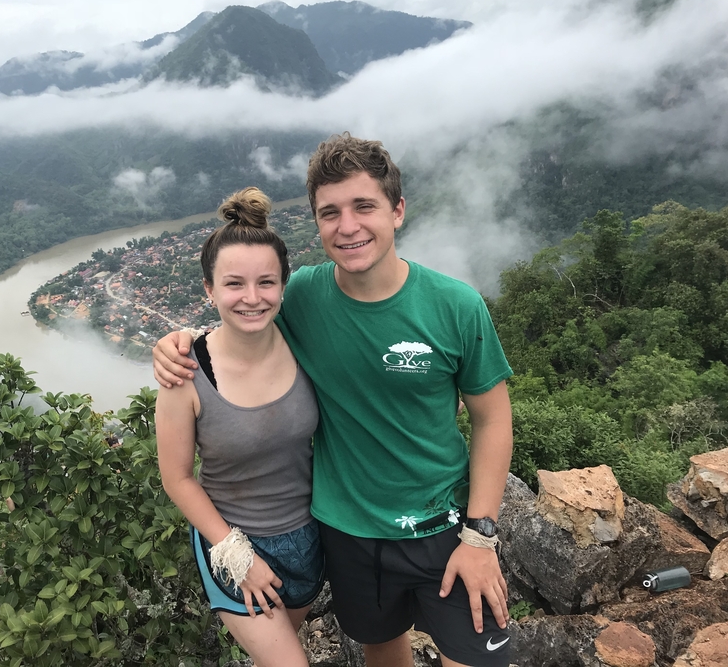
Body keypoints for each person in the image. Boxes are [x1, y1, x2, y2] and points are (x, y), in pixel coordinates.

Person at [154, 134, 514, 667]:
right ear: (317, 223)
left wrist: (481, 534)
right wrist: (176, 342)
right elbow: (244, 317)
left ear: (398, 211)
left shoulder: (455, 306)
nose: (347, 226)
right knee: (382, 650)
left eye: (364, 206)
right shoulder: (303, 296)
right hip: (347, 536)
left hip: (443, 526)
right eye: (330, 213)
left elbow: (492, 419)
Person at [155, 187, 324, 667]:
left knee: (275, 652)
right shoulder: (185, 374)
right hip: (233, 540)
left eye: (267, 283)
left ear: (284, 285)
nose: (252, 299)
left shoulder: (304, 344)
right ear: (208, 289)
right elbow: (177, 477)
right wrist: (237, 554)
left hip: (312, 536)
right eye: (234, 284)